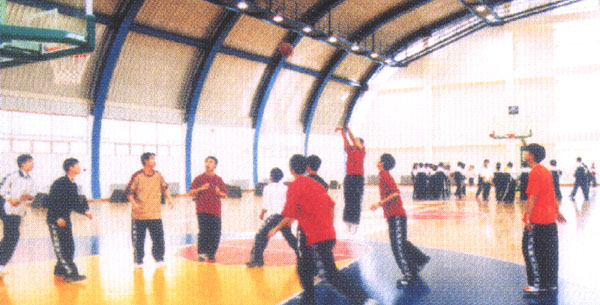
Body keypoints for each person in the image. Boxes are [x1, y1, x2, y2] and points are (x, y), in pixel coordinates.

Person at [268, 155, 376, 305]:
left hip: (316, 237)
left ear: (291, 169)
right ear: (305, 167)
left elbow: (289, 216)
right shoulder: (315, 184)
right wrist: (327, 223)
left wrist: (275, 229)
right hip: (325, 233)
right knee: (303, 265)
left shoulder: (294, 186)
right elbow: (331, 205)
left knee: (329, 274)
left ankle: (364, 300)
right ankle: (308, 298)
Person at [370, 153, 430, 287]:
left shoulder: (385, 175)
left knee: (397, 246)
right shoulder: (383, 175)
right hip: (394, 215)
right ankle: (419, 260)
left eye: (379, 158)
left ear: (383, 163)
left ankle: (409, 275)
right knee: (400, 243)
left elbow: (395, 193)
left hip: (396, 215)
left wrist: (378, 204)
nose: (377, 159)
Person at [521, 144, 566, 296]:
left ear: (531, 156)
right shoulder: (546, 171)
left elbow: (533, 196)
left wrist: (527, 217)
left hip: (537, 219)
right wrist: (557, 211)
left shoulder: (535, 172)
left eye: (526, 151)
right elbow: (552, 193)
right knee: (550, 252)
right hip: (549, 218)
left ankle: (537, 284)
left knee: (531, 251)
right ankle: (550, 283)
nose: (524, 153)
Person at [47, 158, 92, 282]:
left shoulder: (73, 184)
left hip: (66, 219)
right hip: (55, 220)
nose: (79, 168)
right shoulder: (60, 183)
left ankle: (59, 270)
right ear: (70, 168)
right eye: (77, 166)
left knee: (69, 246)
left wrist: (85, 212)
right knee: (61, 247)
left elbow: (73, 202)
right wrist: (57, 218)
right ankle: (71, 273)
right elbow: (52, 201)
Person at [126, 152, 174, 268]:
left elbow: (165, 188)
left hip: (155, 214)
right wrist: (134, 204)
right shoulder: (137, 176)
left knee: (158, 238)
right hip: (140, 215)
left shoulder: (158, 175)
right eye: (152, 159)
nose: (154, 161)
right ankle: (138, 260)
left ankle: (159, 258)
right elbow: (129, 193)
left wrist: (170, 199)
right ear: (146, 161)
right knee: (139, 240)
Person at [246, 168, 297, 267]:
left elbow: (266, 204)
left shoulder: (268, 188)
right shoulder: (285, 188)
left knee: (260, 236)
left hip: (274, 216)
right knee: (289, 237)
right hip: (284, 216)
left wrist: (261, 214)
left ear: (271, 177)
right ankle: (303, 254)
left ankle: (256, 260)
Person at [0, 154, 35, 277]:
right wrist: (10, 199)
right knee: (12, 235)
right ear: (22, 164)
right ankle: (2, 263)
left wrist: (29, 197)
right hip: (7, 210)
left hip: (19, 211)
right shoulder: (12, 177)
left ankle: (2, 262)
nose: (32, 164)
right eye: (30, 162)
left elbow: (29, 195)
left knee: (11, 237)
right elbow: (2, 191)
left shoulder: (30, 179)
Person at [189, 156, 227, 263]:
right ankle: (201, 253)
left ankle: (211, 253)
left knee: (215, 232)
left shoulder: (218, 179)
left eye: (210, 162)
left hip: (215, 210)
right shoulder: (199, 178)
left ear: (215, 166)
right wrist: (200, 188)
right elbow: (191, 192)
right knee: (203, 232)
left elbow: (225, 195)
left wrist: (219, 193)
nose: (207, 164)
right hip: (202, 210)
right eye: (206, 161)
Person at [335, 125, 365, 233]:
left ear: (361, 144)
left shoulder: (362, 150)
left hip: (358, 178)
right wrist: (343, 131)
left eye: (357, 141)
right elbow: (346, 139)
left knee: (356, 201)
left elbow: (352, 139)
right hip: (349, 177)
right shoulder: (350, 149)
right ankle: (348, 221)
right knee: (348, 199)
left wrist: (348, 128)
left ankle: (355, 222)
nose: (354, 141)